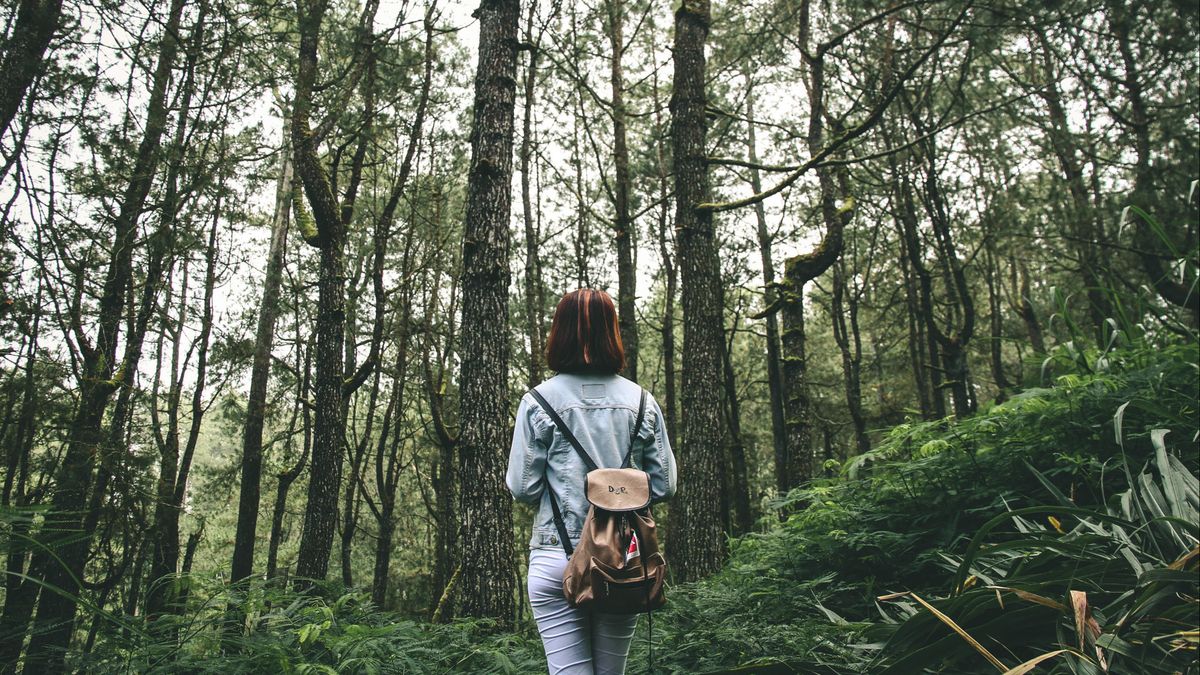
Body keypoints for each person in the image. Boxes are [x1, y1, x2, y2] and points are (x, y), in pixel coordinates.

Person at [506, 288, 677, 675]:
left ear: (559, 332)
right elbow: (664, 486)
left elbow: (523, 488)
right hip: (623, 561)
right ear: (611, 332)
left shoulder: (537, 401)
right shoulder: (642, 401)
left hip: (556, 555)